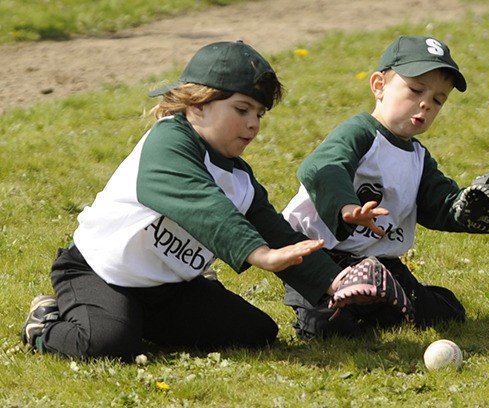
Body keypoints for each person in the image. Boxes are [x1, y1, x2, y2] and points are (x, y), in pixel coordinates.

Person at [21, 40, 344, 361]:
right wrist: (258, 254)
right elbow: (202, 202)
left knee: (255, 333)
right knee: (109, 344)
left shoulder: (240, 178)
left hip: (167, 289)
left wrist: (338, 282)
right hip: (100, 272)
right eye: (242, 109)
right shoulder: (168, 141)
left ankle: (138, 317)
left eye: (259, 114)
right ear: (197, 104)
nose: (253, 124)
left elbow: (279, 234)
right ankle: (45, 323)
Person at [282, 35, 489, 339]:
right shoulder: (359, 132)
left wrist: (467, 210)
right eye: (416, 89)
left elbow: (439, 203)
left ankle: (375, 303)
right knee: (331, 329)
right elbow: (321, 168)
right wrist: (347, 207)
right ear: (379, 85)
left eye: (438, 100)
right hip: (319, 256)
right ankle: (328, 310)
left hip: (378, 264)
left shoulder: (418, 157)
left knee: (443, 314)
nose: (425, 103)